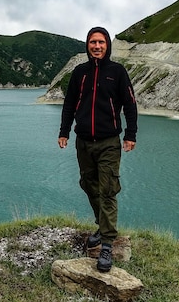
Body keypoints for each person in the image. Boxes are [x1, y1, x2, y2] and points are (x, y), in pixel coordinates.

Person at [58, 26, 138, 272]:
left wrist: (130, 134)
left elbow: (130, 104)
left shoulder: (117, 72)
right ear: (87, 45)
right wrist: (64, 131)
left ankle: (106, 245)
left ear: (107, 45)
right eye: (93, 42)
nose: (97, 46)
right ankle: (101, 226)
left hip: (108, 143)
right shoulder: (79, 73)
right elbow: (70, 104)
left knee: (108, 189)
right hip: (83, 141)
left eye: (101, 42)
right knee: (88, 184)